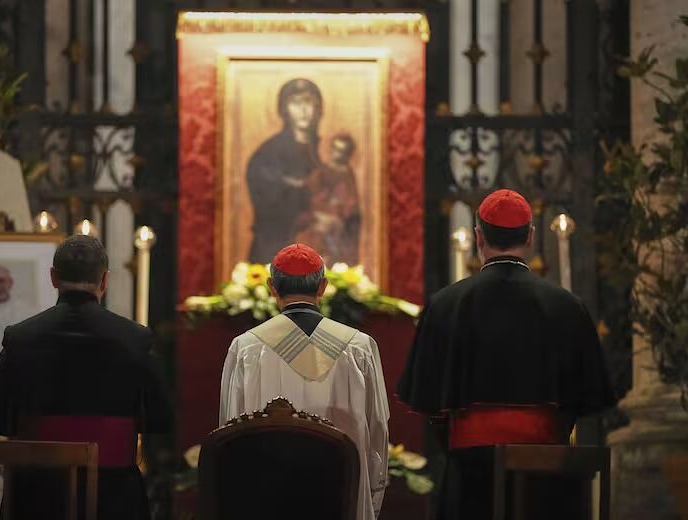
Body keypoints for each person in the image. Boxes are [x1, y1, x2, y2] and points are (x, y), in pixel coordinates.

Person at [398, 189, 615, 519]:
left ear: (478, 236)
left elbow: (427, 401)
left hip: (469, 475)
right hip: (547, 476)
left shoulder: (444, 305)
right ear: (530, 236)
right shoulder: (567, 307)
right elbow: (589, 399)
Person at [0, 234, 171, 520]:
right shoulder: (136, 339)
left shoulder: (19, 338)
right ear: (105, 280)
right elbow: (161, 420)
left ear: (53, 277)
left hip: (34, 497)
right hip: (113, 498)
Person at [220, 243, 389, 519]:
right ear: (323, 287)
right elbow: (377, 425)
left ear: (272, 287)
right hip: (342, 488)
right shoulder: (358, 347)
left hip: (266, 490)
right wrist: (370, 494)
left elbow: (230, 429)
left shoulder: (246, 348)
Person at [246, 78, 323, 263]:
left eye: (309, 102)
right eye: (295, 103)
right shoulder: (269, 153)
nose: (303, 110)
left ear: (318, 108)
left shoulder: (325, 150)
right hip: (276, 249)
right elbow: (268, 203)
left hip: (318, 249)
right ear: (284, 109)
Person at [297, 133, 362, 265]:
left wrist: (341, 211)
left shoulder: (348, 174)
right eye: (336, 149)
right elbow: (310, 195)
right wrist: (321, 211)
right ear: (331, 149)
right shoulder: (321, 172)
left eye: (343, 151)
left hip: (338, 221)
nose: (338, 154)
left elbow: (351, 202)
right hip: (319, 217)